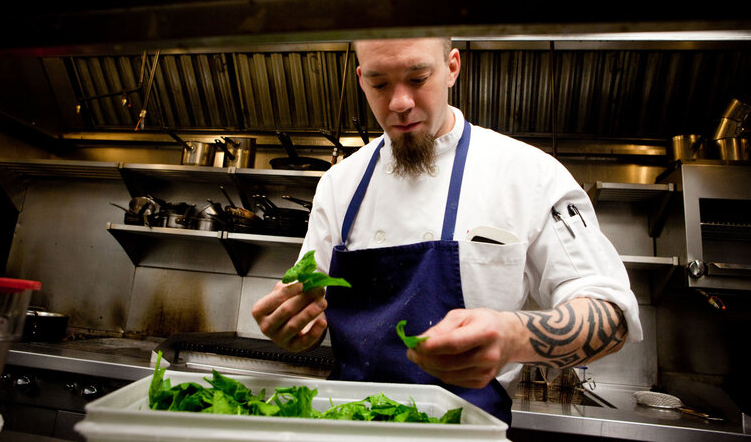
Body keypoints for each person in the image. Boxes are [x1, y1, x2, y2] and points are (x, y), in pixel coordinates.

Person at [252, 37, 642, 428]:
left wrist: (515, 336)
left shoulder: (528, 174)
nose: (399, 102)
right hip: (348, 427)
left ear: (452, 67)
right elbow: (308, 307)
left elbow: (611, 317)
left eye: (418, 78)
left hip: (464, 433)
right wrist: (292, 325)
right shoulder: (339, 185)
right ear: (360, 80)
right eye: (379, 83)